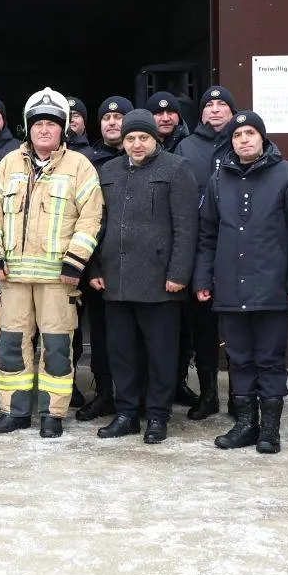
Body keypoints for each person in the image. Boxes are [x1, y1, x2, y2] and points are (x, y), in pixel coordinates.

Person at [0, 88, 104, 438]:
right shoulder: (9, 164)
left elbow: (91, 217)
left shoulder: (79, 166)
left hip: (58, 279)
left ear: (62, 129)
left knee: (58, 347)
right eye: (38, 124)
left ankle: (53, 414)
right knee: (12, 346)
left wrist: (75, 262)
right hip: (14, 276)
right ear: (27, 128)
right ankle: (15, 412)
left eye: (51, 124)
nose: (44, 130)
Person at [195, 111, 288, 455]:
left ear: (262, 138)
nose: (244, 139)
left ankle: (270, 430)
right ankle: (246, 425)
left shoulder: (287, 175)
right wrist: (204, 278)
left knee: (270, 359)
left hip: (272, 288)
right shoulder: (219, 179)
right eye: (237, 135)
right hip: (230, 288)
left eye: (250, 133)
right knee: (239, 358)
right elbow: (207, 234)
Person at [88, 109, 199, 444]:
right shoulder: (108, 171)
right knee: (121, 352)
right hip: (115, 280)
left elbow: (186, 227)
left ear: (155, 139)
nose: (137, 144)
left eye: (143, 138)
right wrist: (94, 268)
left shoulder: (176, 169)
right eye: (131, 138)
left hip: (160, 283)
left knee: (160, 353)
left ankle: (157, 416)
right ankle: (126, 414)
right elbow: (95, 223)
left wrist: (178, 273)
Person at [173, 85, 237, 421]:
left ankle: (240, 396)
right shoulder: (187, 146)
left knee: (238, 328)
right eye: (209, 105)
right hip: (200, 249)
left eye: (221, 105)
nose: (214, 110)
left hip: (238, 248)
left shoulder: (242, 140)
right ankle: (209, 393)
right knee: (202, 328)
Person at [75, 95, 133, 422]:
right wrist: (92, 263)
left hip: (137, 266)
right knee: (100, 335)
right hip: (100, 263)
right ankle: (105, 394)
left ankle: (133, 396)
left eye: (119, 117)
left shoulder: (147, 156)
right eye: (106, 118)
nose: (112, 122)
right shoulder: (87, 160)